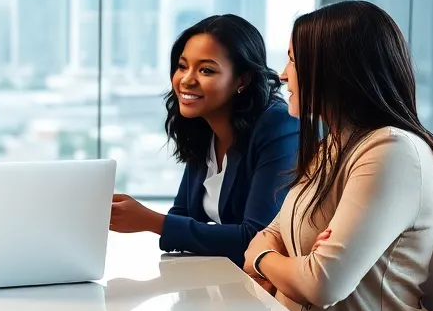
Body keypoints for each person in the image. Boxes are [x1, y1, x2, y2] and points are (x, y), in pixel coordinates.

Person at [243, 0, 433, 311]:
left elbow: (321, 284)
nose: (282, 75)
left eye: (293, 60)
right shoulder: (336, 145)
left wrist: (265, 259)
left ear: (333, 70)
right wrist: (285, 258)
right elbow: (275, 231)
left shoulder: (392, 151)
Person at [110, 14, 298, 266]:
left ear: (242, 80)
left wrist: (151, 221)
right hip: (221, 286)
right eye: (182, 66)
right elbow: (183, 213)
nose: (186, 80)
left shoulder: (278, 125)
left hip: (269, 295)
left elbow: (257, 238)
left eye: (206, 70)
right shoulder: (203, 124)